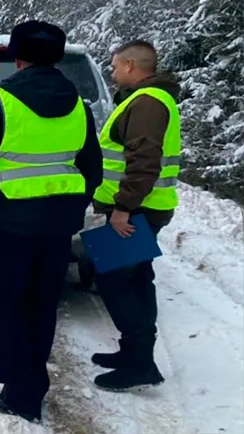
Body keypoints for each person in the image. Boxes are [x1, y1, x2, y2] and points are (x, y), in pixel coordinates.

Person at [0, 21, 103, 422]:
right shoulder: (80, 107)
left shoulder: (0, 102)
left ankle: (20, 393)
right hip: (57, 229)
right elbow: (92, 169)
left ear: (19, 58)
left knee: (9, 307)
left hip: (11, 226)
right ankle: (32, 384)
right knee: (42, 305)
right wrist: (70, 207)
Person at [90, 39, 180, 392]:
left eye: (114, 66)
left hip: (135, 209)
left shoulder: (146, 103)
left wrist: (123, 208)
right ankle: (134, 353)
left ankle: (140, 362)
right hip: (144, 207)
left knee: (116, 281)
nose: (112, 72)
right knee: (138, 278)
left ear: (130, 65)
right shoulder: (152, 99)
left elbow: (144, 162)